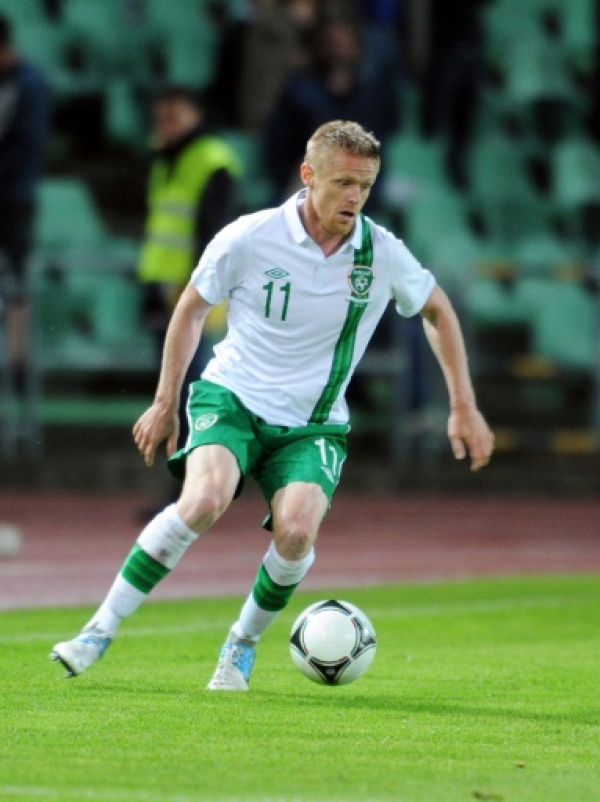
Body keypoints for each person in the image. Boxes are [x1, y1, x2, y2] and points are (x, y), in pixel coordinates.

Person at [50, 120, 495, 691]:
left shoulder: (380, 252)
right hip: (233, 395)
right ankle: (98, 629)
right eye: (342, 183)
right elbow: (189, 309)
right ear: (308, 177)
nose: (355, 197)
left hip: (313, 423)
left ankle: (241, 644)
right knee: (205, 498)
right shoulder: (250, 236)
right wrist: (165, 401)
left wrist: (463, 404)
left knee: (297, 534)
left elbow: (438, 311)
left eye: (365, 184)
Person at [137, 85, 241, 456]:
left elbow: (213, 239)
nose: (163, 124)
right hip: (168, 291)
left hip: (195, 300)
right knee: (175, 394)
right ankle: (181, 485)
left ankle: (190, 485)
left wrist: (192, 297)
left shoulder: (212, 160)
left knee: (192, 396)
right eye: (160, 116)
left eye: (173, 115)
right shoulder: (166, 157)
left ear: (196, 115)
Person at [0, 13, 49, 411]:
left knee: (17, 287)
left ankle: (18, 367)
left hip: (14, 201)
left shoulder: (30, 85)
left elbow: (25, 147)